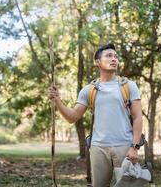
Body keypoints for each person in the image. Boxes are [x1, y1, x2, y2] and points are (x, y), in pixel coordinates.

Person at [48, 43, 143, 187]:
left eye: (116, 57)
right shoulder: (89, 90)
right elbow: (72, 117)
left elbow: (137, 117)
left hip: (124, 146)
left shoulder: (128, 86)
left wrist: (134, 147)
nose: (114, 59)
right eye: (109, 56)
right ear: (98, 62)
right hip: (98, 148)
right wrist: (58, 101)